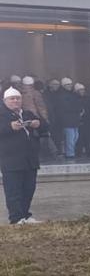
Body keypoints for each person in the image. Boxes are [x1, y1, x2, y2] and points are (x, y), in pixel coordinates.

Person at [0, 86, 44, 224]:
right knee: (14, 191)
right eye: (12, 99)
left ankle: (25, 215)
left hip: (30, 159)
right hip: (11, 160)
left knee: (28, 189)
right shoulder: (2, 115)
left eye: (18, 98)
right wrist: (10, 127)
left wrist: (38, 124)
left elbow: (45, 127)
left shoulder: (27, 113)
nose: (15, 101)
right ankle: (16, 218)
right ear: (5, 101)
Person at [55, 82, 85, 159]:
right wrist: (78, 109)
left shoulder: (73, 96)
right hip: (67, 120)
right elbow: (67, 107)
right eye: (68, 84)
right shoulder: (62, 96)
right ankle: (70, 154)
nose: (70, 86)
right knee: (70, 137)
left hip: (74, 120)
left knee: (75, 137)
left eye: (71, 84)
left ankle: (69, 152)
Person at [73, 83, 90, 157]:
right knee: (79, 138)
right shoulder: (74, 99)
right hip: (79, 121)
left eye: (83, 90)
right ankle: (78, 151)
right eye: (80, 90)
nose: (82, 91)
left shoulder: (88, 99)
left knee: (89, 137)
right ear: (76, 91)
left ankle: (89, 150)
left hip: (89, 121)